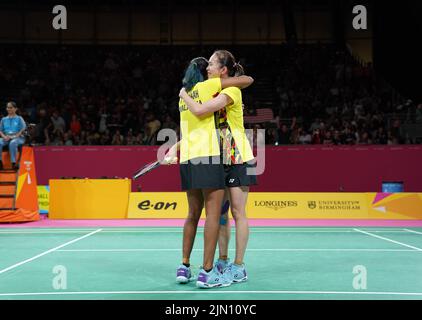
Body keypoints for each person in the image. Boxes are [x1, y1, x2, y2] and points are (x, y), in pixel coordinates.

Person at [165, 56, 253, 288]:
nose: (211, 67)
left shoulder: (226, 90)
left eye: (215, 63)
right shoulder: (206, 89)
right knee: (219, 214)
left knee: (235, 211)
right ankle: (216, 264)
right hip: (213, 155)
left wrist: (183, 94)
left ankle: (237, 265)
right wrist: (175, 146)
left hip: (234, 155)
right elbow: (198, 124)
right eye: (209, 64)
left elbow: (201, 112)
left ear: (223, 70)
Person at [0, 102, 27, 170]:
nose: (9, 109)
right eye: (8, 107)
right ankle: (0, 162)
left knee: (13, 142)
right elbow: (0, 130)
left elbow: (23, 129)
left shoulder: (19, 118)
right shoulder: (3, 119)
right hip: (6, 137)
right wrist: (4, 137)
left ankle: (14, 163)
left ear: (15, 109)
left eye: (11, 107)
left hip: (18, 137)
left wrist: (13, 137)